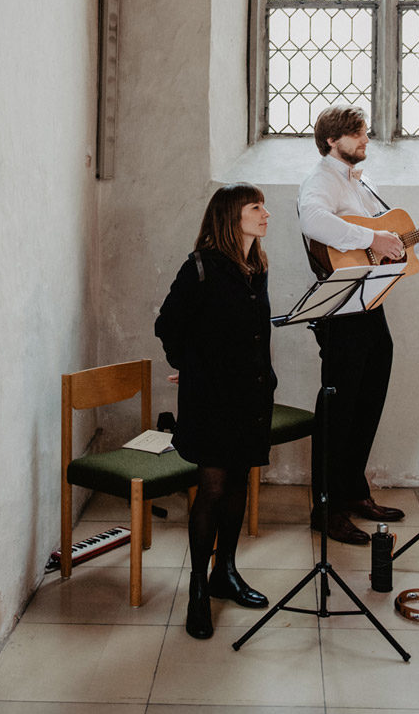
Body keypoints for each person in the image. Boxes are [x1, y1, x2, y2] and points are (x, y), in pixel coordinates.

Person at [298, 104, 419, 545]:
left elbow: (394, 241)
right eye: (356, 135)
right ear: (330, 141)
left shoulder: (364, 184)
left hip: (372, 305)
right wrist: (369, 238)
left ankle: (354, 493)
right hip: (341, 310)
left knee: (368, 403)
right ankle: (326, 509)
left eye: (364, 133)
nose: (365, 141)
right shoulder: (321, 180)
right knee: (338, 411)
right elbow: (313, 220)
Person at [155, 183, 277, 641]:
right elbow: (167, 325)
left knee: (240, 481)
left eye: (264, 206)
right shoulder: (200, 267)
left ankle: (224, 573)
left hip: (251, 395)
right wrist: (189, 365)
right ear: (232, 216)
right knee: (211, 489)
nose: (266, 213)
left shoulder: (257, 266)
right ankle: (197, 592)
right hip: (211, 399)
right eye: (256, 207)